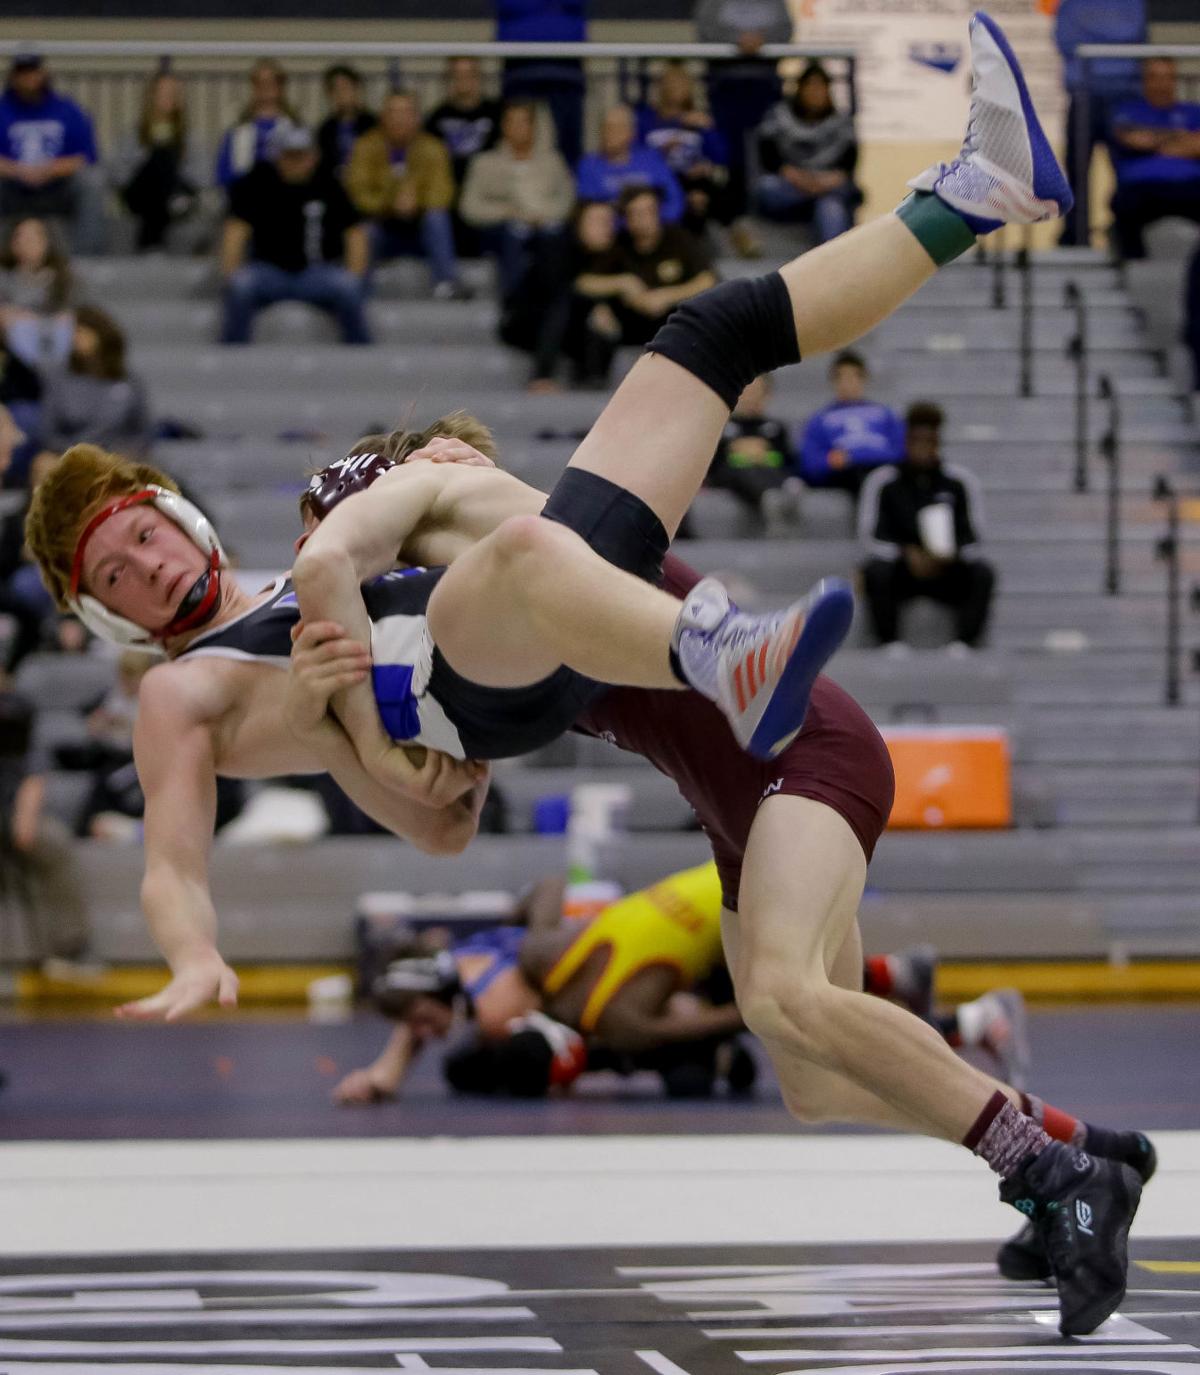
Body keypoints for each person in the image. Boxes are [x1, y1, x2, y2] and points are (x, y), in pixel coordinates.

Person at [28, 16, 1142, 1336]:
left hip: (725, 717)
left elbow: (359, 558)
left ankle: (1060, 1170)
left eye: (142, 534)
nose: (147, 565)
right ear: (103, 618)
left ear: (180, 512)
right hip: (619, 713)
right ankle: (1074, 1151)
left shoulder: (368, 543)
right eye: (117, 574)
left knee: (788, 993)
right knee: (807, 1057)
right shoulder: (193, 681)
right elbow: (378, 825)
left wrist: (362, 588)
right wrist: (205, 935)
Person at [858, 402, 995, 653]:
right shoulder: (884, 481)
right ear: (906, 442)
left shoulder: (959, 482)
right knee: (874, 572)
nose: (922, 448)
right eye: (916, 441)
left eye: (929, 441)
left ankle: (964, 643)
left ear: (937, 443)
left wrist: (949, 554)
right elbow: (870, 535)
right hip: (903, 571)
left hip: (946, 569)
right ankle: (889, 642)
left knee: (982, 573)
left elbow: (975, 536)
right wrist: (905, 553)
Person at [220, 124, 370, 346]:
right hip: (268, 273)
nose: (296, 162)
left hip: (318, 272)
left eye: (302, 155)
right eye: (289, 155)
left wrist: (355, 275)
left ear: (314, 157)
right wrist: (231, 272)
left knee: (348, 287)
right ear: (278, 156)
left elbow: (354, 232)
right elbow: (236, 229)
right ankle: (232, 354)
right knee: (241, 285)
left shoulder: (330, 186)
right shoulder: (258, 184)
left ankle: (360, 355)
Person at [567, 185, 717, 382]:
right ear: (626, 218)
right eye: (636, 213)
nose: (645, 218)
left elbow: (707, 279)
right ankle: (593, 380)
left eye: (650, 211)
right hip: (630, 321)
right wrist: (622, 282)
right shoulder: (620, 244)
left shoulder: (677, 238)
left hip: (672, 319)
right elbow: (584, 282)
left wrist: (666, 296)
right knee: (598, 314)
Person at [0, 677, 97, 977]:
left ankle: (70, 949)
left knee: (52, 841)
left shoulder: (16, 710)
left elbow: (34, 771)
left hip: (11, 812)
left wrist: (25, 817)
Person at [345, 90, 470, 301]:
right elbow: (358, 193)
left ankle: (446, 284)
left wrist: (416, 202)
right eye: (393, 112)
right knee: (363, 231)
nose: (399, 118)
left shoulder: (433, 147)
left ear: (417, 117)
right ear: (383, 117)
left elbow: (444, 192)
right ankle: (357, 295)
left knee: (437, 218)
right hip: (383, 225)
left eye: (406, 112)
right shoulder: (365, 146)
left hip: (421, 228)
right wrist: (390, 203)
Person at [694, 0, 791, 259]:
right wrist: (738, 40)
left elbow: (786, 28)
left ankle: (763, 213)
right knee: (732, 154)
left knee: (767, 152)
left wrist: (761, 40)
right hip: (725, 84)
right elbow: (705, 29)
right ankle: (737, 220)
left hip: (766, 84)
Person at [458, 98, 575, 303]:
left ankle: (555, 306)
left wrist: (542, 216)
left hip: (546, 224)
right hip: (503, 229)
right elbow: (469, 207)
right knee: (514, 233)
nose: (518, 127)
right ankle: (513, 304)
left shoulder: (552, 161)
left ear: (533, 127)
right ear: (503, 126)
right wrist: (508, 212)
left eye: (523, 122)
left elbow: (567, 200)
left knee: (555, 236)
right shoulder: (485, 162)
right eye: (512, 121)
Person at [1054, 0, 1146, 247]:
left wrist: (1093, 38)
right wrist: (1114, 41)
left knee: (1130, 171)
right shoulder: (1071, 4)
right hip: (1084, 94)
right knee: (1077, 170)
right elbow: (1065, 41)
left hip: (1125, 97)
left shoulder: (1132, 3)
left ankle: (1127, 236)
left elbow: (1135, 32)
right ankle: (1075, 235)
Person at [0, 52, 104, 255]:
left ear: (43, 73)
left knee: (92, 181)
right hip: (12, 186)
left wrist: (49, 170)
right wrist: (17, 170)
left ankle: (87, 257)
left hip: (57, 187)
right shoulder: (2, 109)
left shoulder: (67, 110)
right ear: (13, 77)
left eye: (33, 72)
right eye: (22, 73)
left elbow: (86, 156)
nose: (28, 78)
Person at [756, 62, 860, 244]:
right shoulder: (779, 117)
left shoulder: (841, 123)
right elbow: (769, 157)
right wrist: (799, 179)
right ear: (800, 89)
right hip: (790, 186)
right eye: (810, 86)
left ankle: (832, 259)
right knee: (767, 187)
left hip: (828, 188)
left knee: (831, 208)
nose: (815, 93)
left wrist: (824, 182)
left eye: (820, 87)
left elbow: (847, 167)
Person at [1109, 58, 1200, 261]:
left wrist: (1155, 141)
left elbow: (1198, 146)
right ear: (1145, 81)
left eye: (1167, 77)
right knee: (1123, 205)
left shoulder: (1194, 112)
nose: (1161, 83)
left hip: (1191, 186)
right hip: (1143, 189)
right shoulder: (1128, 111)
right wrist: (1181, 138)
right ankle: (1132, 267)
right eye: (1154, 77)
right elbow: (1133, 139)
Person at [637, 60, 732, 244]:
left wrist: (708, 130)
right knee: (687, 199)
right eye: (671, 82)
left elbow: (721, 157)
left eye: (682, 82)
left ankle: (729, 236)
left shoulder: (699, 120)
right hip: (661, 179)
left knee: (717, 194)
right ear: (661, 86)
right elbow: (637, 156)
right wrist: (663, 149)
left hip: (694, 178)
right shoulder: (646, 120)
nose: (677, 87)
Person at [40, 306, 152, 458]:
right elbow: (48, 432)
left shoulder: (129, 381)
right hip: (71, 456)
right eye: (73, 332)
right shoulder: (59, 378)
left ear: (99, 334)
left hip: (118, 457)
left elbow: (143, 431)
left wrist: (123, 452)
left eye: (80, 331)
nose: (74, 338)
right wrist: (77, 452)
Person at [797, 350, 904, 499]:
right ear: (833, 381)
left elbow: (900, 451)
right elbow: (810, 462)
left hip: (880, 470)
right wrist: (830, 460)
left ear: (864, 378)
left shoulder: (885, 414)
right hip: (845, 476)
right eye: (841, 378)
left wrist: (852, 456)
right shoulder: (820, 419)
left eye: (852, 377)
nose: (847, 384)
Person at [497, 0, 586, 167]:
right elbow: (509, 4)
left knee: (569, 142)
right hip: (519, 67)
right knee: (516, 131)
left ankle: (567, 178)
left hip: (566, 69)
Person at [118, 71, 199, 251]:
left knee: (164, 157)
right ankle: (173, 199)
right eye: (163, 92)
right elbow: (119, 173)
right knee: (159, 155)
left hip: (176, 191)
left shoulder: (189, 137)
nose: (167, 98)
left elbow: (201, 175)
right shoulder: (133, 134)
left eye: (173, 93)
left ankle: (151, 240)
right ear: (151, 95)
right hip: (140, 192)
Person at [706, 374, 799, 524]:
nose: (751, 398)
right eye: (747, 391)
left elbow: (788, 460)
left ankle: (784, 489)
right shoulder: (721, 428)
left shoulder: (776, 428)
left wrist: (764, 452)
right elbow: (712, 466)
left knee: (765, 468)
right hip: (733, 475)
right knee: (745, 470)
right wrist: (733, 448)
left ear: (767, 394)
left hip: (768, 470)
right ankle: (770, 494)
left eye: (757, 392)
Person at [576, 106, 686, 225]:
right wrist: (629, 223)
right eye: (605, 128)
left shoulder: (651, 159)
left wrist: (656, 221)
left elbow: (675, 200)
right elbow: (589, 209)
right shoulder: (589, 165)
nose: (608, 134)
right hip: (612, 231)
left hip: (654, 228)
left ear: (631, 133)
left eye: (616, 128)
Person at [0, 216, 77, 382]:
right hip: (15, 340)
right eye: (20, 237)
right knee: (19, 327)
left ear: (47, 242)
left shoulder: (63, 278)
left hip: (53, 332)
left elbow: (75, 310)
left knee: (65, 326)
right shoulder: (4, 277)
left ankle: (52, 378)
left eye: (33, 238)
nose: (26, 243)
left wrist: (41, 319)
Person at [214, 58, 298, 189]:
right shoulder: (237, 131)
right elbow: (223, 174)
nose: (265, 87)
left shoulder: (295, 128)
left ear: (280, 85)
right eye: (260, 82)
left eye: (271, 82)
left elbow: (302, 173)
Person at [424, 57, 502, 190]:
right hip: (447, 186)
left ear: (478, 76)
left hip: (488, 185)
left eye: (468, 74)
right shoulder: (437, 116)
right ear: (449, 78)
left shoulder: (496, 113)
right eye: (457, 74)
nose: (463, 79)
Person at [315, 64, 377, 182]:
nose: (341, 94)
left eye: (345, 87)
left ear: (356, 88)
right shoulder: (326, 129)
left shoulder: (372, 124)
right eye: (335, 89)